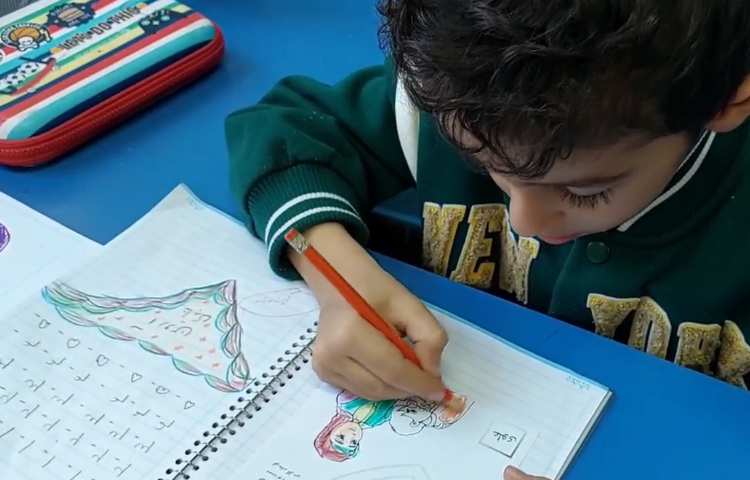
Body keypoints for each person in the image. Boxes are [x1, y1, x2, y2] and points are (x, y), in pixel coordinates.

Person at [228, 2, 750, 476]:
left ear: (728, 101)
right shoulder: (463, 86)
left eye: (585, 191)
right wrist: (342, 283)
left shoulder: (672, 89)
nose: (523, 221)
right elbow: (284, 129)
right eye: (480, 163)